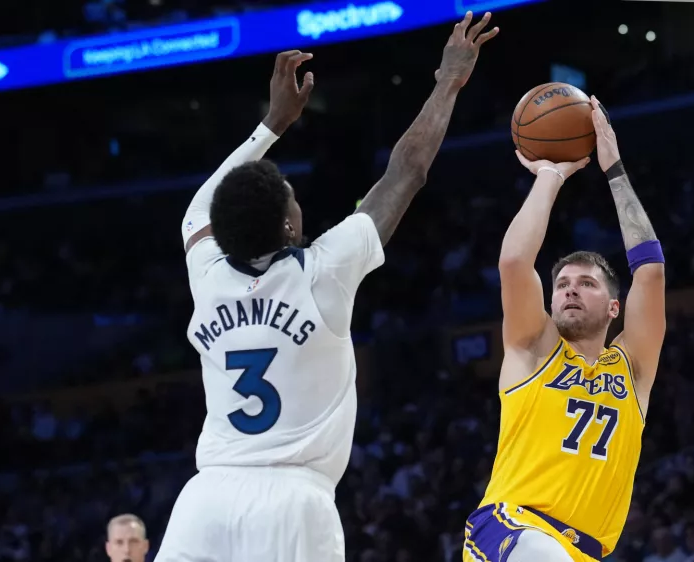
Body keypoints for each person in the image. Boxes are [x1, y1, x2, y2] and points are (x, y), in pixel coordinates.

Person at [156, 12, 498, 562]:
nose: (296, 196)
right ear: (289, 224)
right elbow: (406, 172)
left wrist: (271, 125)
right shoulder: (323, 270)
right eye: (290, 192)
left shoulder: (208, 272)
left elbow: (205, 202)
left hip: (206, 500)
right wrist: (447, 83)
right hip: (295, 501)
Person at [462, 97, 666, 562]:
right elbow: (515, 262)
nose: (570, 291)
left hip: (586, 552)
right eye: (562, 284)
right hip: (512, 526)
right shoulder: (534, 346)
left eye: (586, 284)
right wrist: (550, 176)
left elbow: (650, 273)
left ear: (615, 307)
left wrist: (614, 170)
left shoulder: (632, 369)